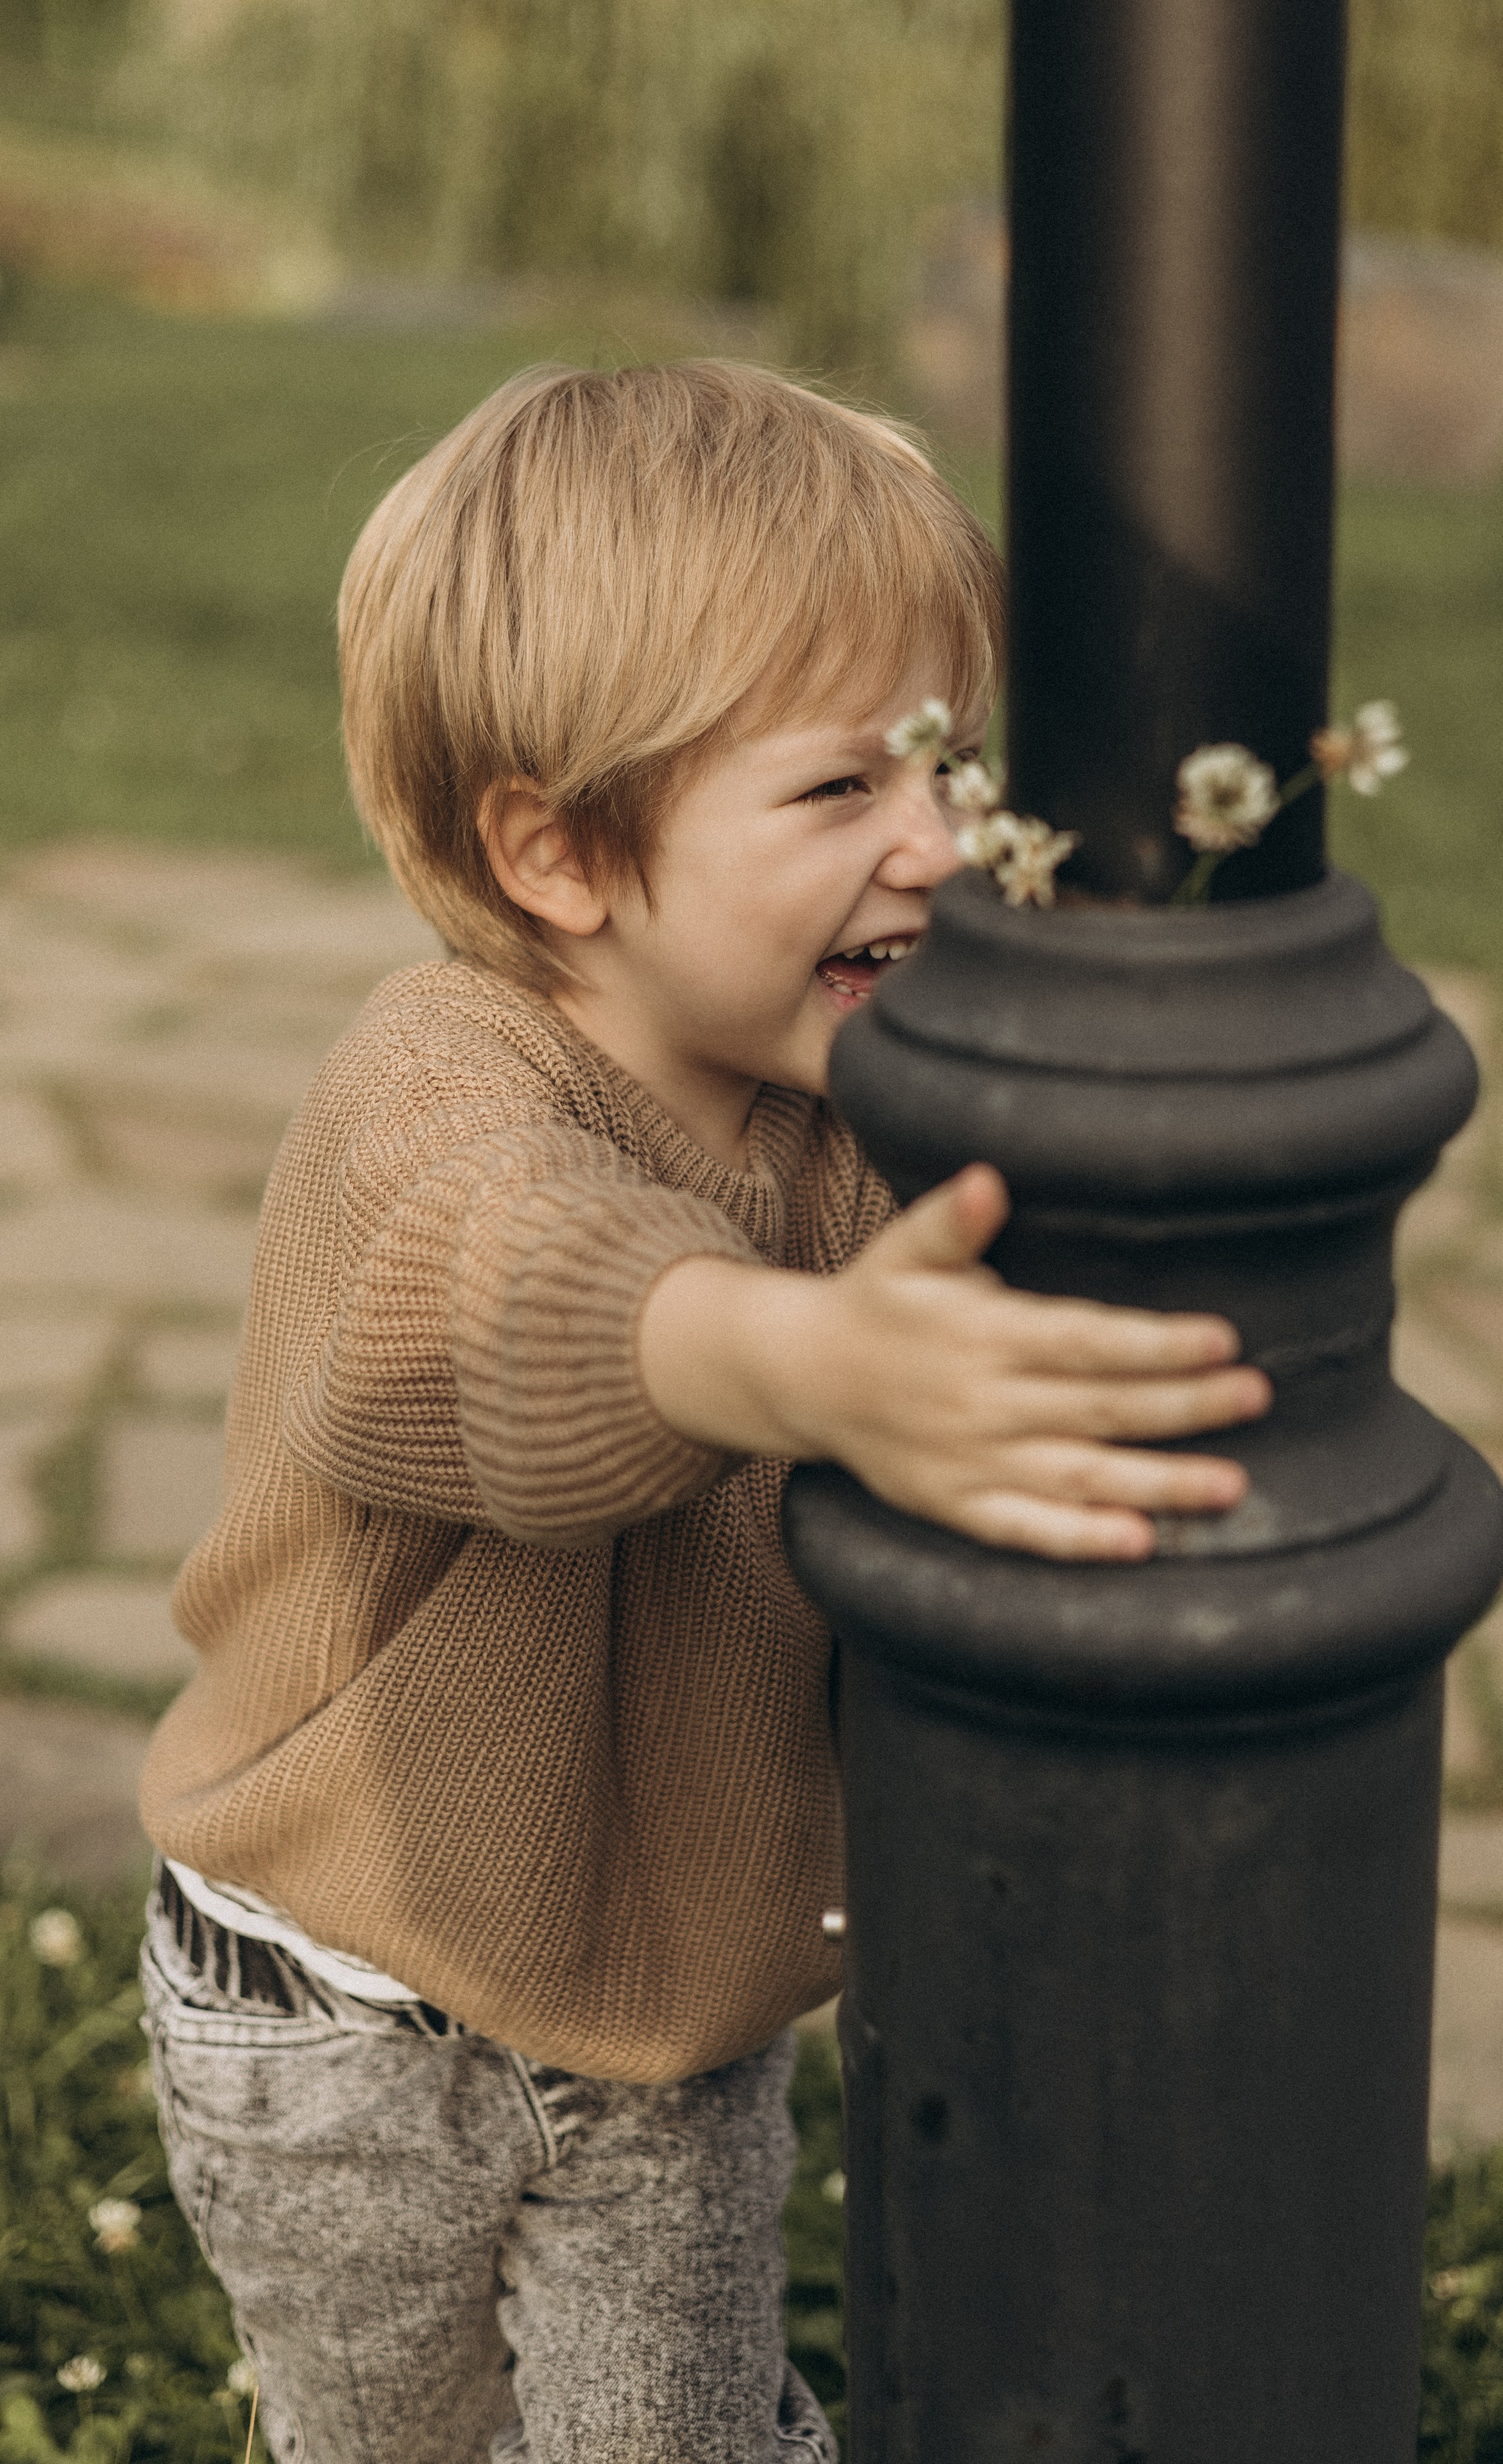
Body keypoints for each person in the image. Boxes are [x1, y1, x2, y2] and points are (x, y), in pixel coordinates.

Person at [138, 360, 1271, 2464]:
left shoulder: (847, 1114)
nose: (938, 841)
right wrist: (798, 1357)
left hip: (672, 2022)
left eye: (954, 767)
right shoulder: (437, 1091)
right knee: (387, 2442)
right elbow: (514, 1296)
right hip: (344, 2015)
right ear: (561, 853)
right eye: (844, 793)